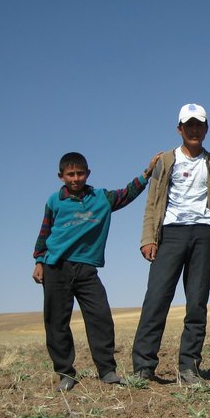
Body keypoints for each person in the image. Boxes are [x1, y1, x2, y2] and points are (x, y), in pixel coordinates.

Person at [33, 151, 161, 392]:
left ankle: (107, 370)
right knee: (56, 322)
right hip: (55, 267)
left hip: (86, 269)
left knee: (100, 317)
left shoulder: (101, 198)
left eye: (80, 173)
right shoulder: (54, 201)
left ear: (88, 174)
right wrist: (39, 261)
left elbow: (126, 194)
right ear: (61, 176)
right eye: (70, 174)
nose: (75, 178)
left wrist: (147, 173)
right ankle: (65, 373)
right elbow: (44, 232)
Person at [132, 103, 210, 384]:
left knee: (197, 303)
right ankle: (143, 367)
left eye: (199, 125)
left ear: (206, 129)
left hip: (203, 233)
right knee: (156, 299)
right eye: (189, 125)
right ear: (179, 129)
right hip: (170, 233)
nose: (194, 130)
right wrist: (148, 238)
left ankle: (189, 367)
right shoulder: (165, 160)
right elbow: (152, 203)